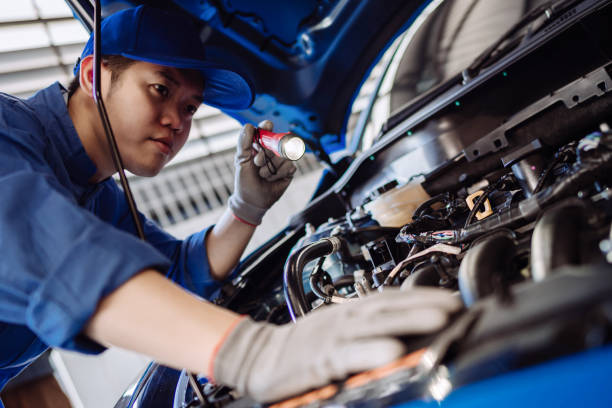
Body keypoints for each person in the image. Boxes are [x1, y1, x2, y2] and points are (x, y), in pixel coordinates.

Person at [0, 5, 462, 405]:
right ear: (91, 76)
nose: (176, 123)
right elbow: (40, 248)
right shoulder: (8, 132)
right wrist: (252, 353)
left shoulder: (101, 198)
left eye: (190, 108)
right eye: (161, 89)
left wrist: (245, 208)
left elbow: (181, 273)